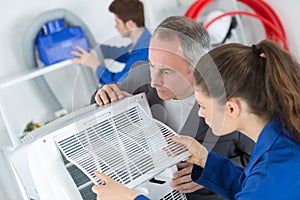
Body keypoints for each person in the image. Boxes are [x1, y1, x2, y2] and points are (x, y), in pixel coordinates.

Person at [92, 39, 300, 199]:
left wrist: (131, 197)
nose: (200, 113)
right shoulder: (283, 138)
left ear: (232, 108)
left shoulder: (269, 176)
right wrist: (204, 159)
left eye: (202, 105)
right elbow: (249, 186)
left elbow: (257, 190)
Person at [71, 0, 151, 85]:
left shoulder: (143, 52)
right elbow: (122, 53)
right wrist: (96, 46)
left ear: (130, 24)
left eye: (117, 22)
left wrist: (94, 65)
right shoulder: (144, 42)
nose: (115, 26)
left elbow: (119, 83)